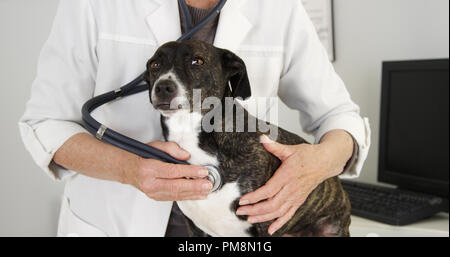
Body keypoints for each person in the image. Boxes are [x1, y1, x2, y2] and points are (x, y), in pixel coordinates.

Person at [18, 0, 371, 237]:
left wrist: (315, 164)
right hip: (117, 224)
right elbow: (46, 123)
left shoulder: (278, 7)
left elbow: (338, 116)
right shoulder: (94, 5)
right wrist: (129, 169)